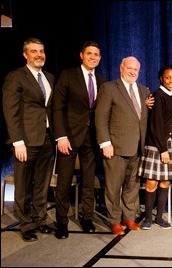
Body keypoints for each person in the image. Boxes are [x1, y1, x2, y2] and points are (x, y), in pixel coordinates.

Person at [52, 41, 108, 239]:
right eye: (89, 53)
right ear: (81, 55)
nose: (93, 57)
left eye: (96, 54)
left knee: (88, 181)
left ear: (100, 58)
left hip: (92, 140)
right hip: (68, 138)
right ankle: (61, 222)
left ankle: (87, 218)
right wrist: (60, 136)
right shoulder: (68, 76)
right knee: (64, 182)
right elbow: (56, 108)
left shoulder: (102, 81)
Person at [2, 37, 55, 242]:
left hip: (48, 139)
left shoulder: (49, 77)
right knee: (23, 185)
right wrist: (17, 142)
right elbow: (10, 111)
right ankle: (26, 224)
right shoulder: (16, 77)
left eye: (41, 51)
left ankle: (40, 219)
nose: (39, 55)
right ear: (25, 54)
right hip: (26, 141)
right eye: (34, 51)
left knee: (42, 184)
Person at [95, 56, 152, 235]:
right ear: (121, 67)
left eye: (136, 69)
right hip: (116, 147)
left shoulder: (144, 91)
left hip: (137, 147)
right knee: (113, 186)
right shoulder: (109, 88)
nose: (133, 72)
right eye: (129, 68)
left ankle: (129, 218)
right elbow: (101, 118)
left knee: (132, 186)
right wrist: (105, 143)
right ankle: (114, 220)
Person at [138, 65, 172, 230]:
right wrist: (163, 149)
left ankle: (159, 217)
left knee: (165, 182)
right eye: (168, 78)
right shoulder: (157, 96)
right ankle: (148, 218)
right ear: (161, 79)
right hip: (158, 145)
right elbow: (156, 125)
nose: (171, 81)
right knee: (152, 183)